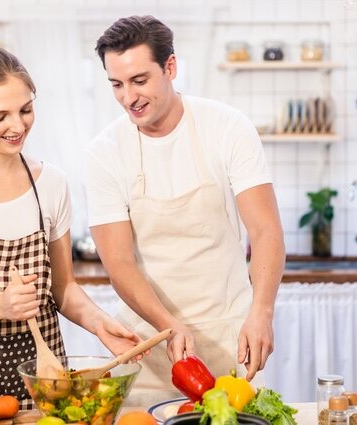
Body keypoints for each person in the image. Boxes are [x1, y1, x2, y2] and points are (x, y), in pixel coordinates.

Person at [0, 47, 142, 410]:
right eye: (0, 116)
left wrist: (99, 324)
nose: (18, 126)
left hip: (44, 378)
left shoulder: (51, 183)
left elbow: (63, 288)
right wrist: (0, 304)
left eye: (26, 110)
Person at [85, 16, 285, 403]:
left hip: (230, 338)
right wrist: (168, 325)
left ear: (170, 68)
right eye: (117, 84)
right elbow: (119, 264)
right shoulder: (104, 153)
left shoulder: (227, 127)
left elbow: (265, 231)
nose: (129, 97)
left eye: (140, 80)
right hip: (149, 343)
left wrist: (262, 311)